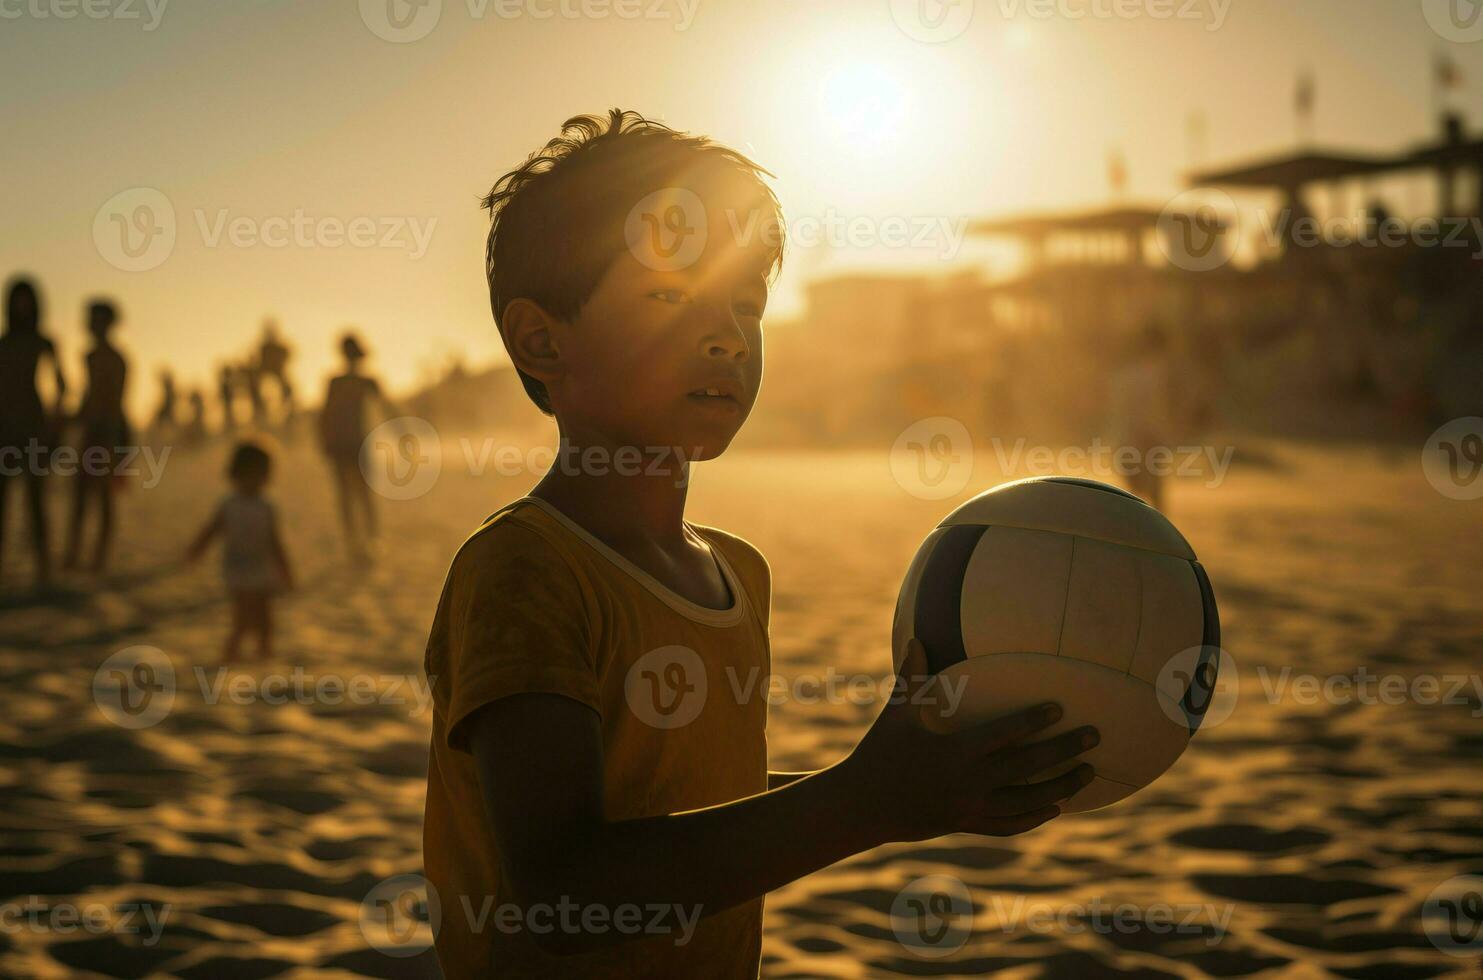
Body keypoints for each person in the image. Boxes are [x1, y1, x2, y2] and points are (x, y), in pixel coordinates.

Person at [421, 109, 1099, 978]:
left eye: (746, 303)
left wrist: (907, 788)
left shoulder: (736, 572)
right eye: (669, 296)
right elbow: (561, 887)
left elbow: (694, 813)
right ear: (540, 339)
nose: (725, 334)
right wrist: (861, 801)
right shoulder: (525, 569)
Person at [185, 439, 294, 662]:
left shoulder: (267, 506)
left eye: (260, 474)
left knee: (266, 617)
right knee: (242, 619)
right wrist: (196, 550)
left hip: (263, 569)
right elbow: (212, 530)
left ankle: (264, 653)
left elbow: (275, 542)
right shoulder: (229, 504)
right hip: (237, 570)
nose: (254, 480)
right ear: (235, 474)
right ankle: (230, 653)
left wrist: (285, 570)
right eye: (249, 474)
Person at [0, 276, 66, 590]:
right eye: (17, 298)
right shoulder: (4, 343)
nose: (21, 304)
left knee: (35, 501)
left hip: (33, 428)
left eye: (26, 298)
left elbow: (62, 386)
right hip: (3, 428)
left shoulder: (44, 342)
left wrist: (55, 425)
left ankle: (43, 568)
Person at [65, 300, 130, 574]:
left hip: (107, 432)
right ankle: (77, 556)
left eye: (95, 318)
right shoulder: (90, 355)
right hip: (95, 431)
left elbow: (111, 399)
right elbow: (88, 396)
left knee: (102, 496)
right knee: (82, 495)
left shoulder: (115, 358)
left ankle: (97, 560)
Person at [317, 332, 392, 557]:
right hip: (355, 443)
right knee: (360, 493)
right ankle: (367, 538)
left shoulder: (338, 381)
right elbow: (387, 407)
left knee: (349, 493)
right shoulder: (361, 381)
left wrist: (324, 439)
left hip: (346, 442)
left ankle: (359, 539)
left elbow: (324, 415)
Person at [1108, 323, 1179, 512]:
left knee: (1137, 497)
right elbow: (1156, 413)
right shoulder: (1154, 375)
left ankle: (1142, 535)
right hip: (1144, 440)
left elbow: (1118, 413)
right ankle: (1156, 536)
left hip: (1131, 440)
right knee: (1151, 496)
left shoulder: (1124, 375)